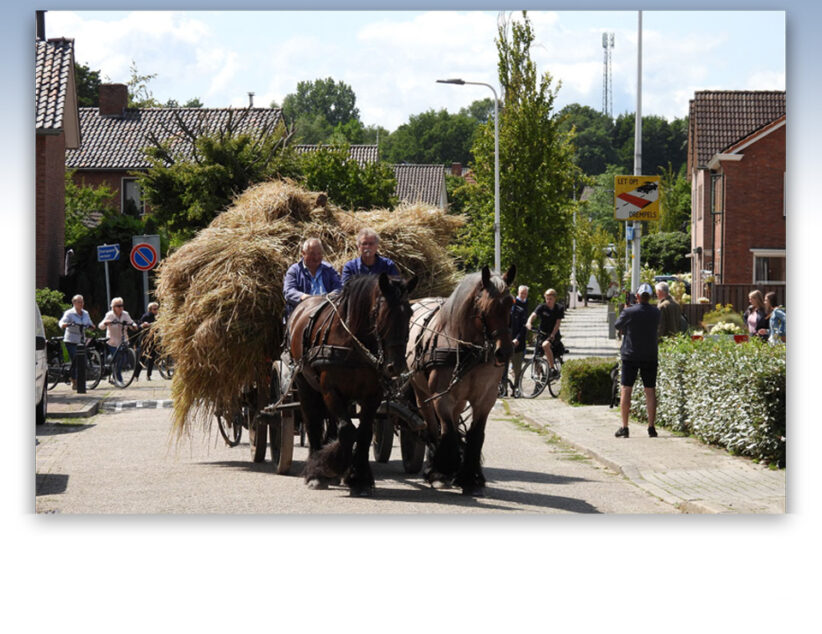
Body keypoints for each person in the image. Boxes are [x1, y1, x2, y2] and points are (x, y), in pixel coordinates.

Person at [614, 283, 661, 438]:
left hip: (631, 354)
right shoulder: (656, 312)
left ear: (638, 296)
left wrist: (627, 308)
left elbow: (617, 325)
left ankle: (625, 427)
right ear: (651, 297)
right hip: (650, 355)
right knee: (650, 390)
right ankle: (651, 427)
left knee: (626, 389)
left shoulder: (629, 311)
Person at [283, 238, 343, 319]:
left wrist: (330, 297)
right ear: (303, 253)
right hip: (303, 312)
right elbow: (289, 291)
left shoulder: (329, 269)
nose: (316, 257)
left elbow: (339, 287)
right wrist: (304, 297)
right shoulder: (294, 270)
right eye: (312, 254)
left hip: (327, 311)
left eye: (319, 254)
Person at [525, 288, 564, 378]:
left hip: (553, 334)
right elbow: (533, 315)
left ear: (555, 299)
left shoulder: (559, 308)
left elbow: (557, 324)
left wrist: (553, 334)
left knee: (545, 345)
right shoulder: (542, 307)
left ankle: (552, 368)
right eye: (547, 298)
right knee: (536, 356)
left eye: (550, 299)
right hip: (542, 333)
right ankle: (540, 378)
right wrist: (529, 322)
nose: (548, 301)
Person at [58, 294, 94, 390]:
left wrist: (92, 326)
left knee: (82, 360)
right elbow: (61, 322)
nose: (81, 304)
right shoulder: (69, 313)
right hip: (71, 340)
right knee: (76, 359)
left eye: (82, 302)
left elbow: (89, 322)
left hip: (81, 340)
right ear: (74, 303)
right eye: (79, 302)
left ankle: (77, 379)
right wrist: (65, 325)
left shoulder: (85, 313)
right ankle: (75, 380)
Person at [98, 297, 136, 384]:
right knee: (118, 358)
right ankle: (118, 379)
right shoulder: (109, 315)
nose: (121, 308)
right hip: (112, 341)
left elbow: (131, 322)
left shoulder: (125, 314)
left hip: (123, 340)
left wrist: (134, 325)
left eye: (122, 305)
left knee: (123, 360)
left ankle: (114, 373)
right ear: (113, 307)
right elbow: (100, 326)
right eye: (118, 306)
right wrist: (105, 323)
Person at [501, 285, 529, 396]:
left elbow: (524, 327)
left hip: (518, 344)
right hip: (506, 343)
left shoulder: (521, 310)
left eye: (525, 294)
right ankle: (503, 389)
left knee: (517, 369)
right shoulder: (503, 312)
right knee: (503, 369)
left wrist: (517, 339)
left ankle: (516, 388)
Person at [134, 302, 159, 381]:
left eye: (157, 309)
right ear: (150, 309)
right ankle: (136, 376)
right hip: (145, 339)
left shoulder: (158, 317)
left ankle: (148, 375)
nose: (156, 310)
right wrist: (144, 325)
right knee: (142, 357)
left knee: (152, 358)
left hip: (154, 339)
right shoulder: (146, 316)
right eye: (154, 309)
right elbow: (140, 326)